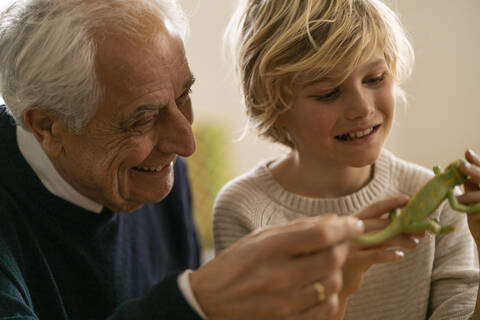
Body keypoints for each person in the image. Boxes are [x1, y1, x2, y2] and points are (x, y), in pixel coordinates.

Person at [0, 0, 372, 319]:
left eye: (183, 98)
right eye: (142, 118)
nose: (185, 143)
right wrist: (198, 301)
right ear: (47, 126)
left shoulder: (153, 169)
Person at [213, 0, 480, 319]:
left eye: (375, 78)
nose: (362, 108)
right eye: (328, 93)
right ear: (275, 106)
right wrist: (339, 281)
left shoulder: (440, 203)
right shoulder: (243, 209)